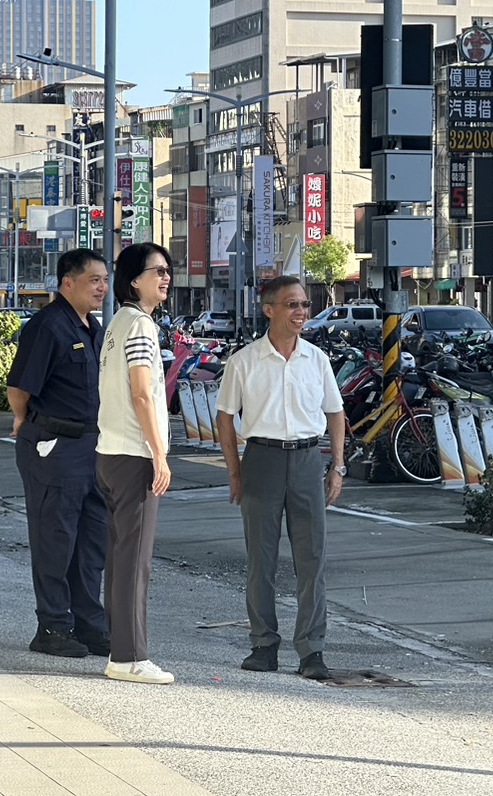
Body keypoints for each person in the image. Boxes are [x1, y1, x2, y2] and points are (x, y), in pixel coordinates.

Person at [215, 275, 346, 681]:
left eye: (305, 305)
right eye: (292, 305)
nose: (301, 312)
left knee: (312, 560)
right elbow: (224, 418)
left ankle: (312, 651)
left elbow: (335, 413)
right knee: (261, 560)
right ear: (269, 309)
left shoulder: (316, 359)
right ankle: (263, 644)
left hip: (307, 460)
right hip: (262, 460)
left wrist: (337, 465)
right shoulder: (245, 361)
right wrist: (235, 471)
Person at [6, 248, 110, 660]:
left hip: (92, 446)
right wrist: (23, 421)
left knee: (91, 543)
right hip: (54, 446)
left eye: (104, 279)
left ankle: (88, 623)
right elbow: (20, 389)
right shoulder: (48, 326)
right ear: (68, 283)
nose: (102, 287)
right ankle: (52, 625)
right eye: (94, 280)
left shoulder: (92, 327)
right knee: (56, 540)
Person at [96, 242, 176, 684]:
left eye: (168, 271)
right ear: (134, 280)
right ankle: (129, 658)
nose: (165, 278)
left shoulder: (118, 323)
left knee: (121, 556)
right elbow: (142, 392)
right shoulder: (141, 327)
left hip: (110, 452)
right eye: (157, 271)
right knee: (135, 560)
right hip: (134, 455)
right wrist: (160, 454)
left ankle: (121, 652)